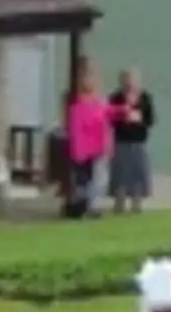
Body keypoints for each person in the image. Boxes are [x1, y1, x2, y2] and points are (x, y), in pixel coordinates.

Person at [63, 61, 110, 219]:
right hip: (82, 147)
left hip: (98, 146)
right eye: (84, 77)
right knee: (82, 177)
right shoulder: (74, 100)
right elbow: (71, 124)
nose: (88, 81)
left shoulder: (100, 101)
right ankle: (81, 205)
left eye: (91, 77)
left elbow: (105, 122)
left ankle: (93, 205)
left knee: (98, 177)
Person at [107, 68, 157, 216]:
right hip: (121, 141)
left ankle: (137, 202)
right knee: (120, 173)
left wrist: (139, 119)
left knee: (138, 173)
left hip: (139, 142)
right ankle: (119, 201)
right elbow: (109, 118)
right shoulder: (115, 98)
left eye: (133, 81)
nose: (130, 85)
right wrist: (122, 117)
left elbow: (151, 120)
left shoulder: (146, 99)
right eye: (127, 82)